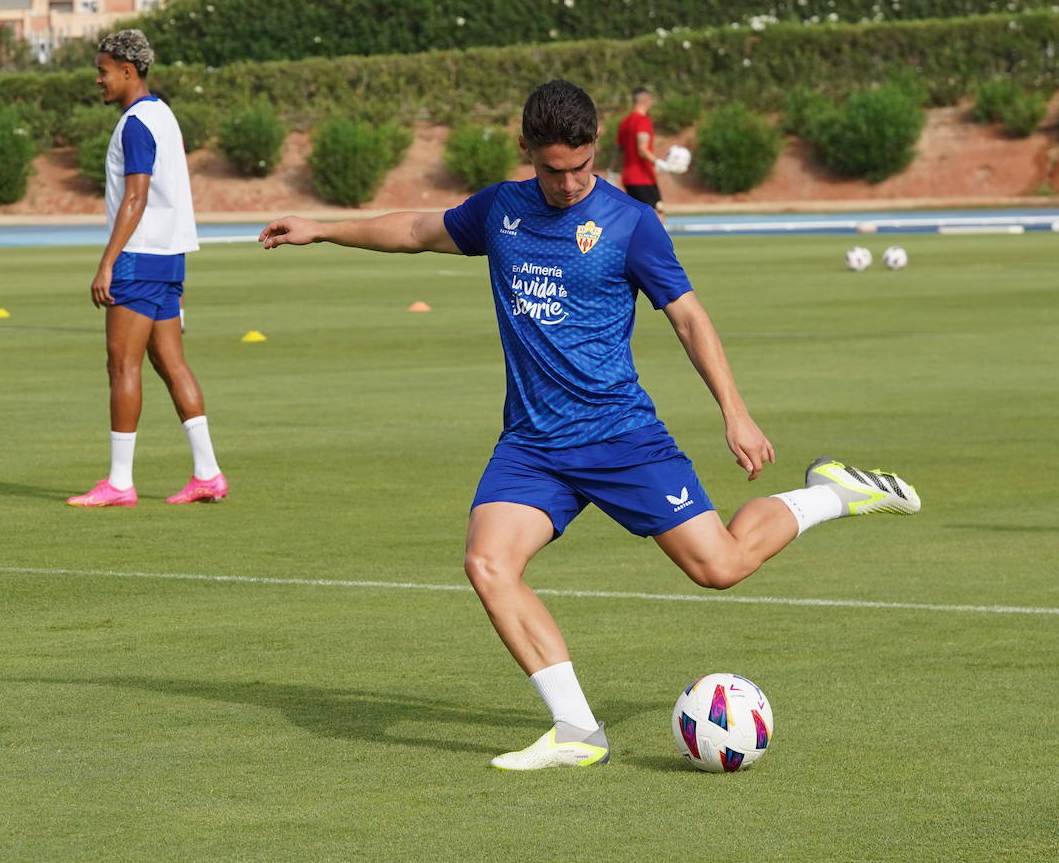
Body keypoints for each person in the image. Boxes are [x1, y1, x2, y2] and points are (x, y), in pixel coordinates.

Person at [258, 80, 920, 770]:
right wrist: (322, 227)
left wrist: (736, 412)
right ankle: (577, 729)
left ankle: (833, 493)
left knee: (720, 567)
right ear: (526, 150)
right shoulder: (500, 210)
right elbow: (418, 231)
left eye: (580, 167)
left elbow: (689, 318)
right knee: (488, 564)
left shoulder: (631, 223)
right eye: (553, 170)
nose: (570, 183)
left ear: (596, 145)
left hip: (620, 437)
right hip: (532, 446)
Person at [67, 29, 227, 507]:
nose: (98, 80)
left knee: (122, 365)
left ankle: (120, 483)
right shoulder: (164, 114)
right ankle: (208, 474)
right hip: (170, 259)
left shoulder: (136, 123)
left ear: (127, 70)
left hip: (138, 259)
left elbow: (135, 196)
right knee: (170, 362)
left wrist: (107, 263)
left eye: (102, 71)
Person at [615, 87, 675, 215]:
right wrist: (660, 163)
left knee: (637, 217)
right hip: (643, 178)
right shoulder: (643, 120)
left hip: (628, 179)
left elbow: (619, 151)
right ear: (646, 100)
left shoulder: (624, 123)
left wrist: (613, 172)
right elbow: (642, 150)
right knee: (657, 215)